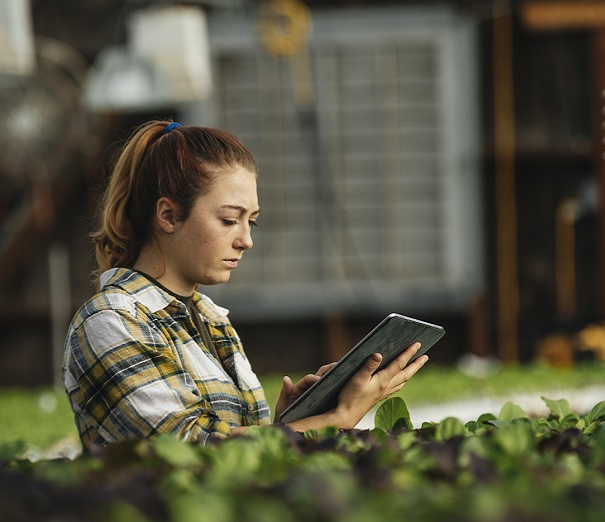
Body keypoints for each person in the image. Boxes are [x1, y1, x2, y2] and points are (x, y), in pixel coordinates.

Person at [62, 120, 428, 447]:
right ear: (168, 215)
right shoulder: (110, 321)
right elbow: (189, 450)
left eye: (251, 221)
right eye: (228, 220)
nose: (245, 240)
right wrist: (336, 420)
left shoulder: (210, 318)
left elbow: (238, 452)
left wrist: (290, 422)